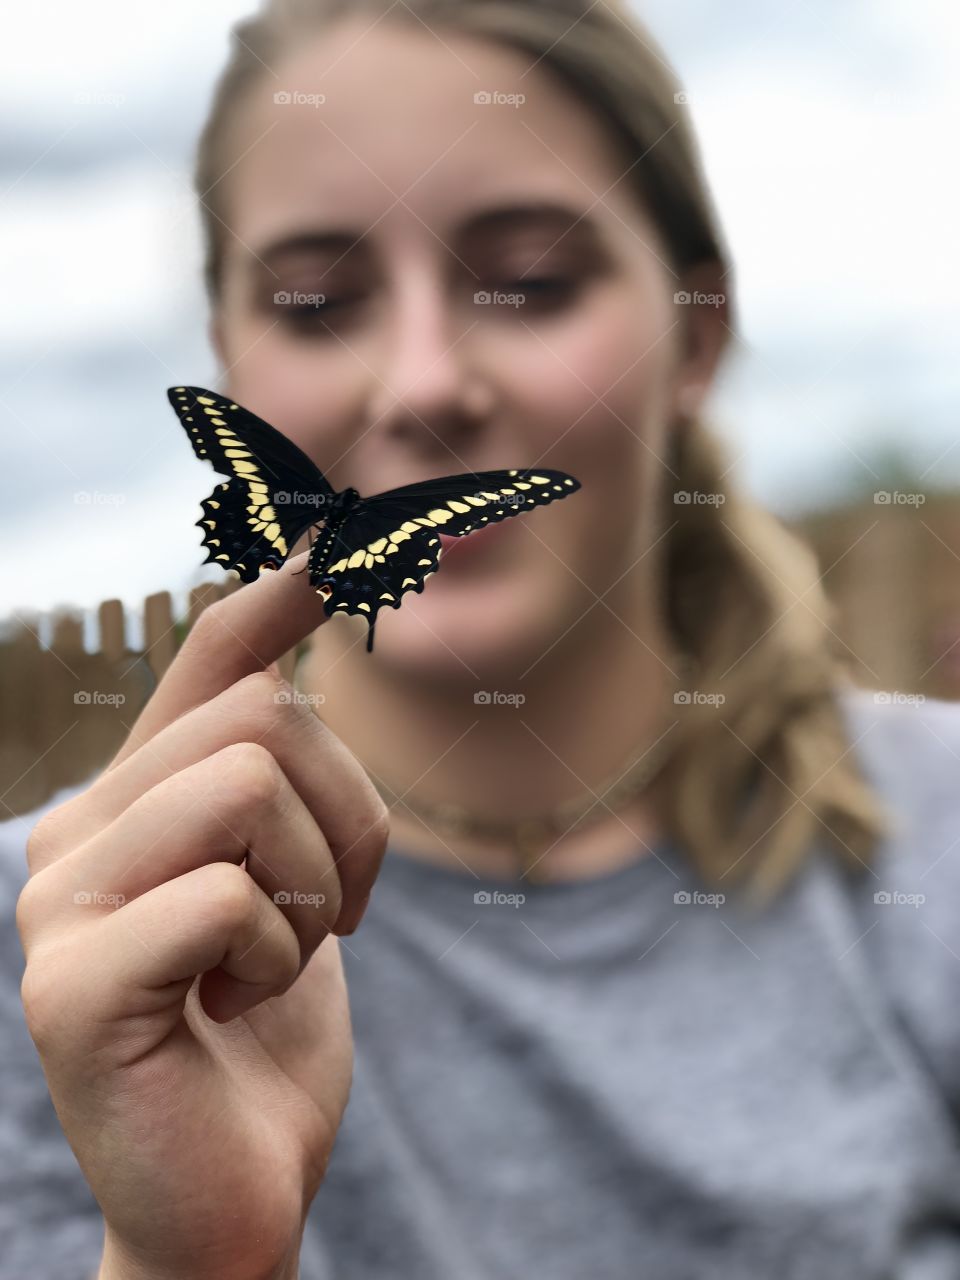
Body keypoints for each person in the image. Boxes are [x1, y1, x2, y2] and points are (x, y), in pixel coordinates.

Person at [5, 1, 960, 1277]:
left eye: (534, 280)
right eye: (317, 300)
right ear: (232, 367)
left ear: (696, 338)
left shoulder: (930, 843)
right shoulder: (67, 934)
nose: (420, 383)